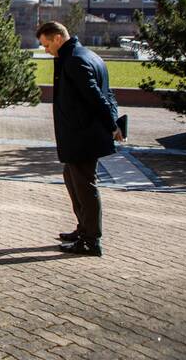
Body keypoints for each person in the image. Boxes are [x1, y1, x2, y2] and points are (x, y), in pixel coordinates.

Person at [37, 21, 122, 257]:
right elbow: (109, 93)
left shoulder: (74, 59)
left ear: (57, 38)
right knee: (72, 178)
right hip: (81, 135)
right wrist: (112, 121)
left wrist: (112, 125)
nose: (46, 50)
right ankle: (83, 229)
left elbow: (97, 96)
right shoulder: (87, 55)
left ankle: (91, 240)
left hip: (83, 136)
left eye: (46, 45)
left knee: (85, 185)